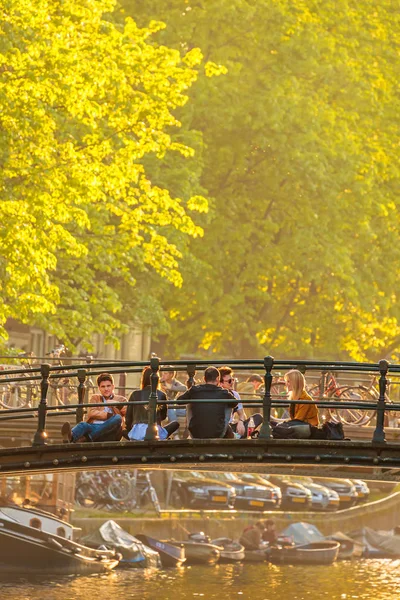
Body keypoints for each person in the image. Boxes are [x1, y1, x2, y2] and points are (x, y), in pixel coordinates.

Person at [61, 373, 126, 443]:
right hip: (94, 426)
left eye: (108, 386)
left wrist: (118, 405)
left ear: (113, 387)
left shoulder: (121, 399)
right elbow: (91, 413)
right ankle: (70, 437)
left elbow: (128, 413)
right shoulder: (95, 398)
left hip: (110, 431)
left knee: (117, 418)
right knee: (83, 425)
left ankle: (88, 438)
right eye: (103, 386)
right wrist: (109, 415)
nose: (106, 389)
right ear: (99, 388)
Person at [178, 366, 237, 438]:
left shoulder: (194, 390)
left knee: (190, 403)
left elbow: (179, 401)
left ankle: (190, 431)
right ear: (218, 379)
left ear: (204, 379)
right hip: (218, 434)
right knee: (229, 405)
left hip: (196, 434)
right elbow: (235, 403)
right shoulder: (223, 392)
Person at [125, 366, 179, 440]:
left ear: (143, 379)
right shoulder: (161, 394)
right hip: (155, 432)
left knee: (122, 430)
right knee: (175, 424)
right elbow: (163, 416)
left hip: (137, 433)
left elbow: (128, 418)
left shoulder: (134, 394)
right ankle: (166, 438)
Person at [219, 366, 263, 438]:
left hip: (232, 426)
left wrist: (241, 421)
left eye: (232, 380)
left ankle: (237, 436)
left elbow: (242, 414)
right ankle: (237, 436)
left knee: (258, 417)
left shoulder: (235, 394)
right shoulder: (217, 394)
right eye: (229, 381)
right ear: (220, 383)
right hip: (222, 427)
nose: (232, 382)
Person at [160, 367, 187, 438]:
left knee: (186, 410)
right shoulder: (160, 382)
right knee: (171, 409)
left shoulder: (175, 382)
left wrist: (171, 388)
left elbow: (184, 388)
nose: (163, 375)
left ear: (171, 374)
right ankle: (176, 434)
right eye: (162, 373)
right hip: (163, 406)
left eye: (165, 373)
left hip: (174, 406)